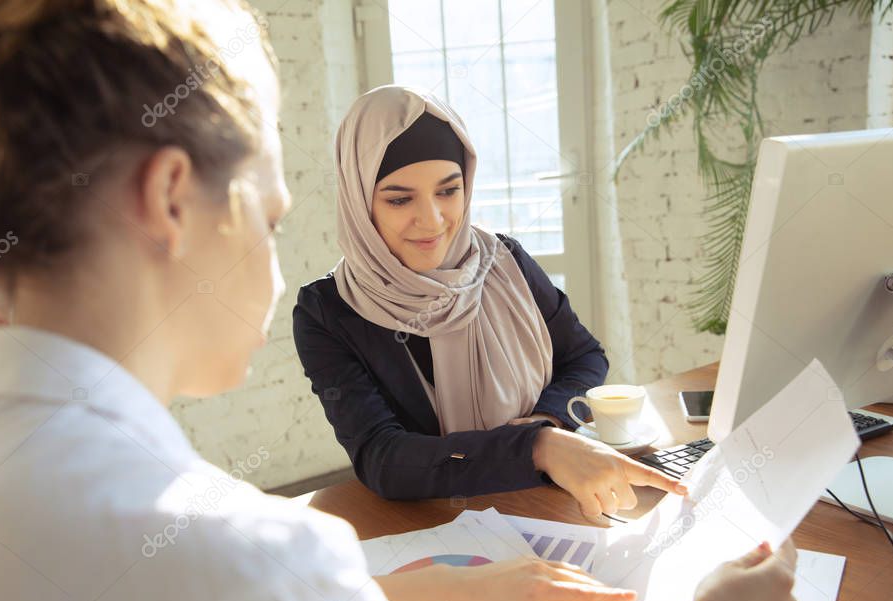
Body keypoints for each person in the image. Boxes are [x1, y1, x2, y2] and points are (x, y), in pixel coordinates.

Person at [0, 1, 796, 601]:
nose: (280, 268)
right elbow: (262, 574)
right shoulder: (250, 566)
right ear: (172, 201)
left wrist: (440, 587)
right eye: (273, 220)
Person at [293, 86, 685, 517]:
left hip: (548, 502)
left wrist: (547, 423)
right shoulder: (328, 311)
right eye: (400, 198)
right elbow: (384, 459)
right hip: (435, 524)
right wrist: (535, 447)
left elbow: (584, 357)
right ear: (358, 199)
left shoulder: (504, 261)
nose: (433, 219)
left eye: (448, 191)